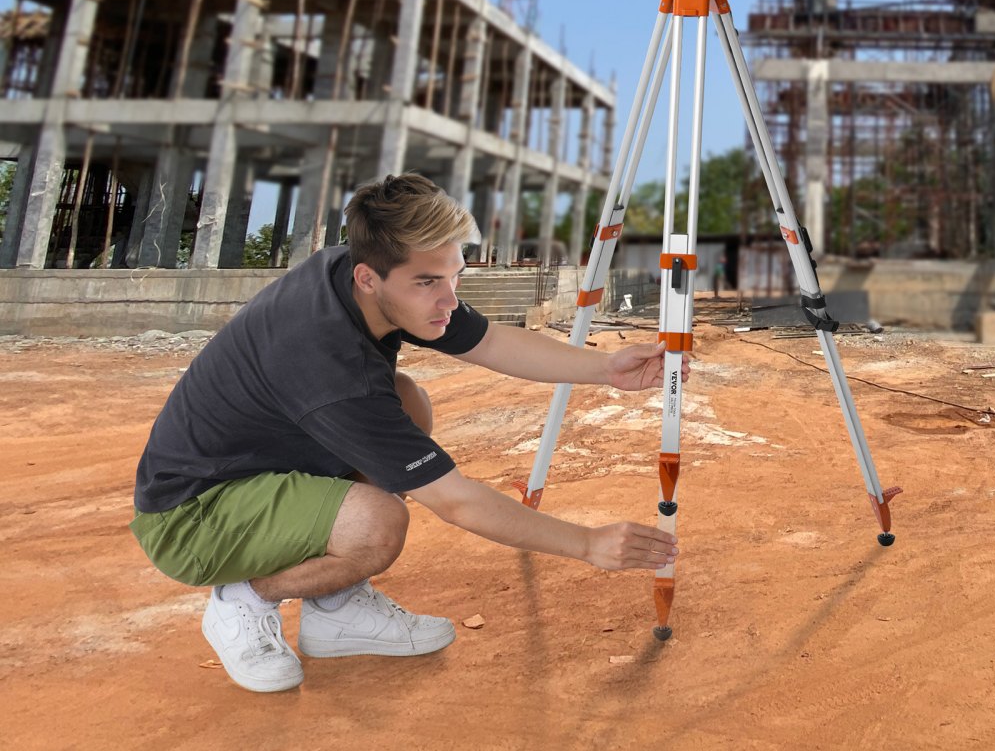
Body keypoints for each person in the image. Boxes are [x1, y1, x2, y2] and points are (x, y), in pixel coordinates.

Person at [130, 173, 687, 693]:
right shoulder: (330, 365)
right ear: (369, 278)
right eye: (427, 282)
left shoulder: (353, 270)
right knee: (377, 524)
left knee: (405, 399)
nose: (448, 299)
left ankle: (336, 610)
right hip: (192, 517)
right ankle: (244, 600)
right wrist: (587, 544)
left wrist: (605, 369)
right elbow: (456, 501)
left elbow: (488, 341)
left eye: (454, 275)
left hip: (259, 472)